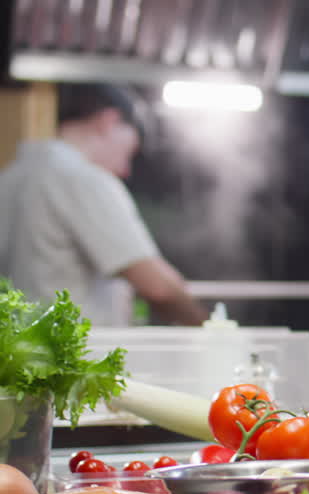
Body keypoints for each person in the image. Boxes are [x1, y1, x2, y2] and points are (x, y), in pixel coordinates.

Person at [0, 83, 208, 326]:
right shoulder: (83, 179)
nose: (125, 170)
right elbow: (157, 286)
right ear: (108, 122)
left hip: (21, 350)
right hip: (78, 356)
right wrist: (209, 331)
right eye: (129, 152)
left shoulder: (12, 175)